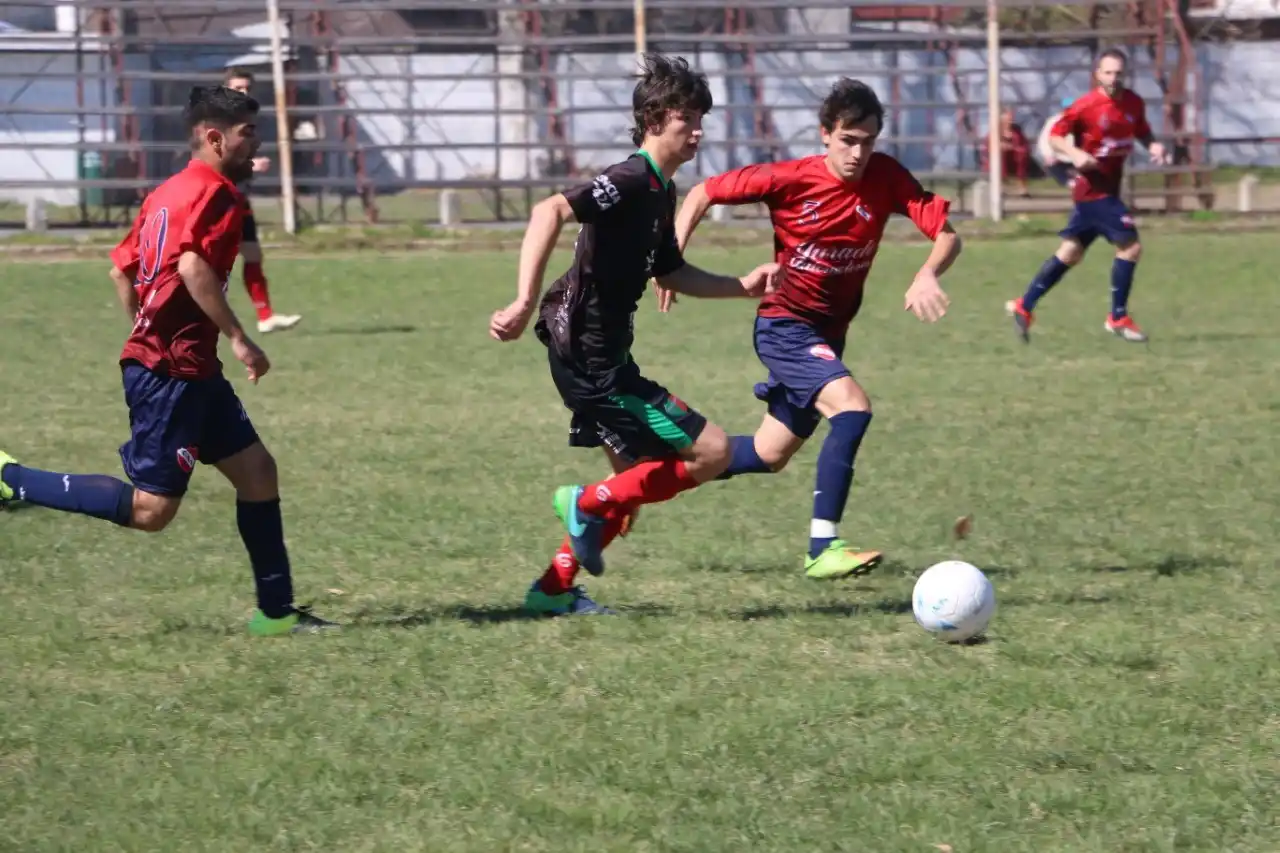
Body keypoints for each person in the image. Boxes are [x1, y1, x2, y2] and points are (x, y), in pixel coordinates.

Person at [0, 86, 335, 636]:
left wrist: (146, 328)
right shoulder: (217, 195)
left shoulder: (166, 193)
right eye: (248, 133)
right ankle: (11, 479)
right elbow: (192, 268)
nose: (257, 145)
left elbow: (121, 270)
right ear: (215, 137)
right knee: (150, 512)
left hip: (187, 366)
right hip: (169, 374)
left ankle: (275, 614)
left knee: (257, 473)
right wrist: (238, 337)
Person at [488, 54, 780, 616]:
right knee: (712, 451)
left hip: (597, 354)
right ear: (654, 119)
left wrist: (742, 287)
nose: (698, 131)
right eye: (687, 118)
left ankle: (552, 590)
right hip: (590, 357)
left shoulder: (661, 192)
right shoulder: (628, 180)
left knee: (632, 490)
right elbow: (549, 210)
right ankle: (583, 501)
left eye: (701, 119)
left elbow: (669, 271)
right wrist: (522, 299)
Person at [659, 78, 962, 580]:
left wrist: (928, 272)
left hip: (828, 335)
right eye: (848, 140)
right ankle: (824, 545)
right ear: (826, 134)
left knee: (767, 453)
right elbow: (703, 192)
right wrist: (668, 262)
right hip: (785, 326)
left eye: (868, 141)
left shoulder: (886, 177)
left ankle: (634, 479)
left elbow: (947, 236)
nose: (858, 153)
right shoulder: (789, 178)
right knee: (853, 408)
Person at [1006, 49, 1169, 343]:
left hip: (1108, 188)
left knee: (1070, 253)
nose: (1113, 78)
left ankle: (1024, 305)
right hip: (1093, 191)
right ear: (1097, 74)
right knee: (1130, 247)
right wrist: (1075, 153)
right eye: (1108, 72)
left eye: (1118, 73)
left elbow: (1142, 131)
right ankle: (1117, 317)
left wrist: (1153, 145)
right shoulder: (1086, 106)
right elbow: (1055, 136)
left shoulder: (1133, 102)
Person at [223, 67, 302, 334]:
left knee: (253, 254)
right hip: (220, 200)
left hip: (239, 198)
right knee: (213, 264)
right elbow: (211, 161)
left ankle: (265, 316)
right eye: (238, 88)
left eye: (247, 88)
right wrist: (249, 165)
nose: (244, 93)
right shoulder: (218, 121)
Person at [981, 108, 1031, 197]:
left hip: (1015, 160)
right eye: (1007, 120)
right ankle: (1000, 187)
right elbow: (988, 147)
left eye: (1010, 120)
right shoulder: (994, 132)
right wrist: (1000, 146)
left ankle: (1022, 188)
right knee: (1000, 155)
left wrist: (1013, 147)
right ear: (1001, 120)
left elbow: (1024, 146)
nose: (1009, 122)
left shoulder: (1017, 132)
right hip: (999, 161)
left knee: (1021, 155)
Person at [1037, 97, 1076, 188]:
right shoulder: (1053, 121)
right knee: (1051, 164)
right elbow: (1044, 140)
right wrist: (1048, 155)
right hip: (1059, 156)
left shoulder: (1080, 120)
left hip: (1075, 155)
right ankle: (1068, 182)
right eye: (1067, 108)